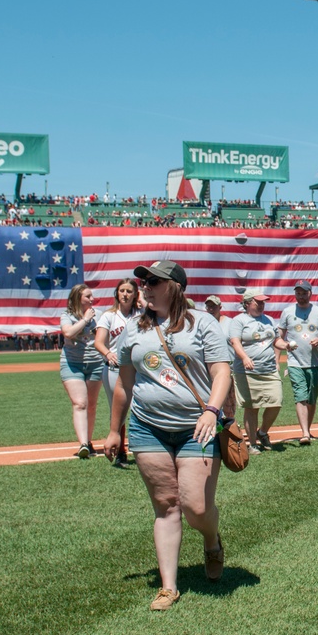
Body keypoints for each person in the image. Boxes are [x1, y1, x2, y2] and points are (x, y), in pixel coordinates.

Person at [103, 260, 231, 611]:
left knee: (196, 506)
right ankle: (168, 587)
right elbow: (124, 384)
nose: (144, 286)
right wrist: (116, 429)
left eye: (152, 282)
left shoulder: (203, 323)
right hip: (148, 427)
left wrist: (211, 410)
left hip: (197, 427)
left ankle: (211, 540)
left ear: (174, 287)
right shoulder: (133, 328)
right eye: (142, 282)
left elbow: (222, 374)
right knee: (165, 505)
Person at [229, 289, 292, 453]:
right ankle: (253, 444)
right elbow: (235, 342)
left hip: (269, 369)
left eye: (264, 302)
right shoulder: (239, 321)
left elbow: (276, 340)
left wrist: (285, 345)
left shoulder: (269, 319)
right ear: (248, 303)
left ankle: (262, 432)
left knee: (276, 401)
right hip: (247, 372)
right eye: (259, 302)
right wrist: (244, 358)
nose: (262, 305)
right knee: (252, 407)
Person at [94, 278, 140, 467]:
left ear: (136, 294)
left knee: (140, 407)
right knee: (119, 409)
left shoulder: (142, 314)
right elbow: (98, 341)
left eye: (129, 291)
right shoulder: (109, 316)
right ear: (116, 293)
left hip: (138, 369)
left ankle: (142, 447)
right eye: (122, 290)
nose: (125, 294)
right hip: (114, 369)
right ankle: (120, 451)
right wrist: (107, 353)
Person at [278, 280, 318, 445]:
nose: (301, 296)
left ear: (310, 293)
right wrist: (277, 358)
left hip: (314, 362)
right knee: (300, 396)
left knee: (311, 397)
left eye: (304, 293)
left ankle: (308, 429)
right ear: (295, 294)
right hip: (294, 362)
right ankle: (305, 433)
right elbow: (278, 337)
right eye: (298, 293)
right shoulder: (287, 312)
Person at [60, 284, 105, 459]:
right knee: (80, 403)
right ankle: (83, 444)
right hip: (72, 364)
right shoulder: (67, 315)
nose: (92, 299)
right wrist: (86, 320)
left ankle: (89, 441)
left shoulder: (100, 315)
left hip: (95, 364)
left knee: (91, 405)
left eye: (92, 296)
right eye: (88, 296)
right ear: (78, 298)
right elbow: (68, 333)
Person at [204, 295, 239, 425]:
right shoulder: (204, 323)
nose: (211, 309)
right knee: (211, 402)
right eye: (208, 306)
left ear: (220, 307)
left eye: (214, 306)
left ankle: (228, 430)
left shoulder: (230, 323)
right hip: (207, 371)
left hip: (227, 370)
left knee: (229, 404)